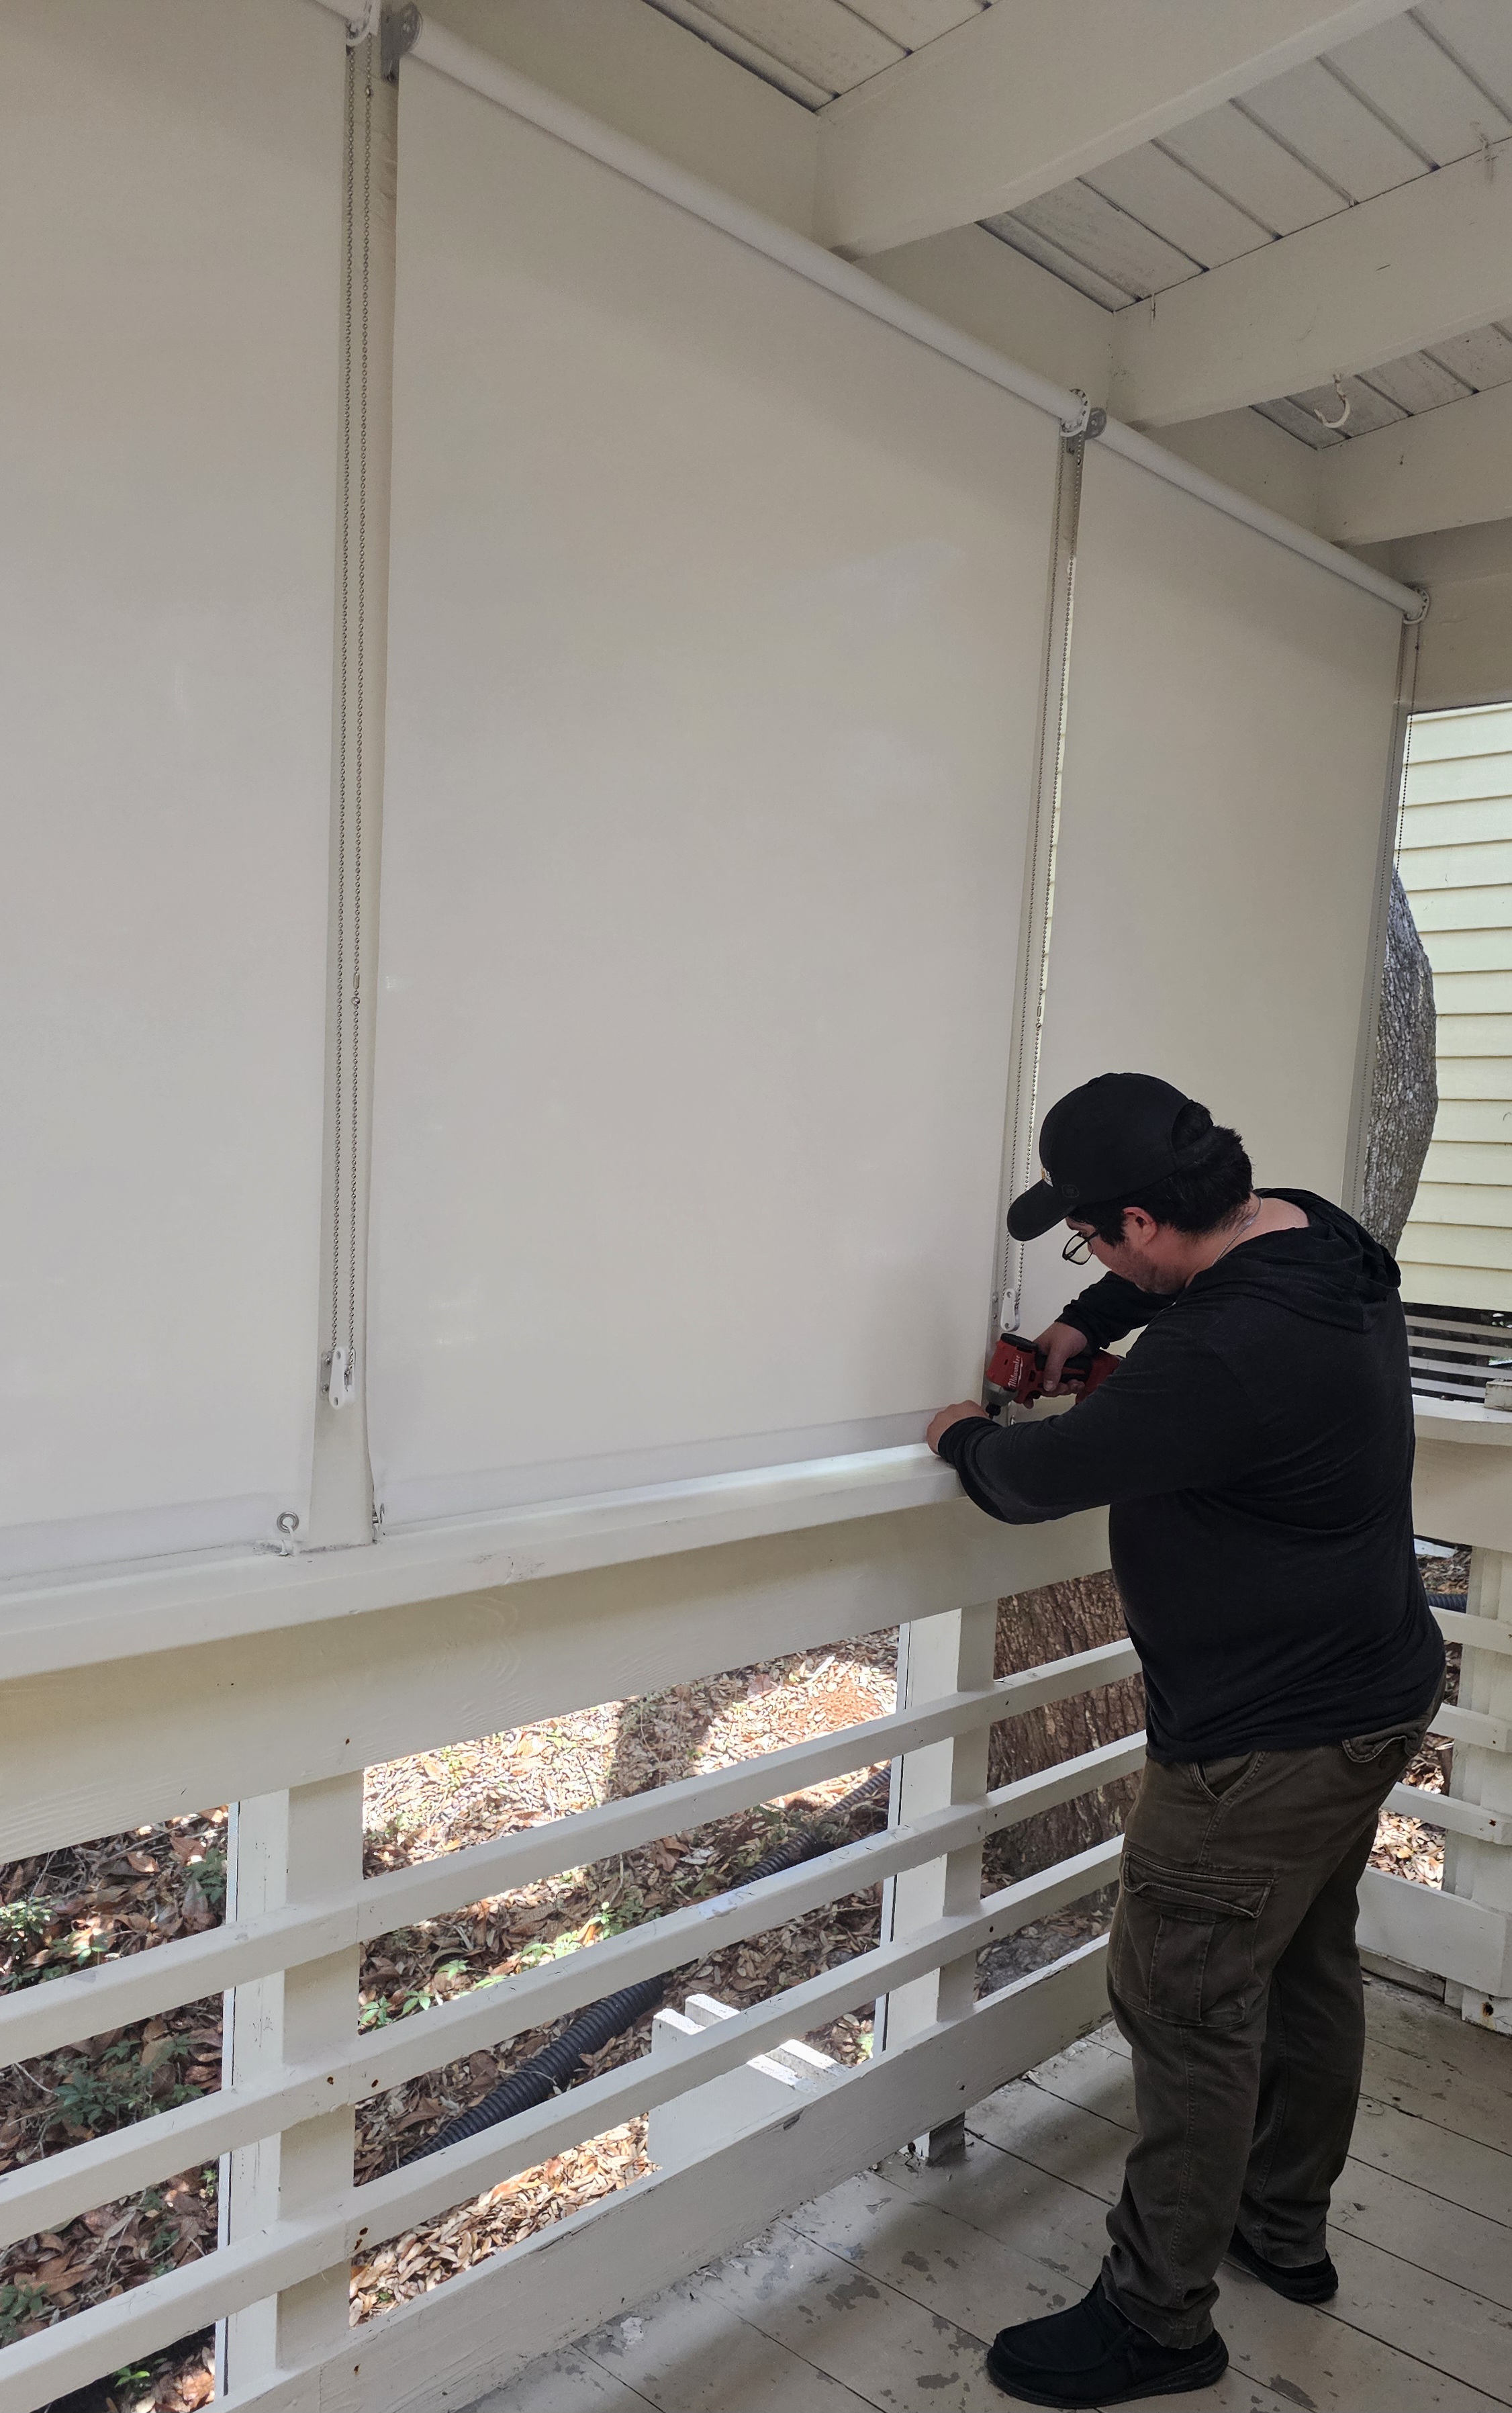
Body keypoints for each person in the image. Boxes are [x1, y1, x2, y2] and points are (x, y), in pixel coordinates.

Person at [926, 1071, 1445, 2410]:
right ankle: (1284, 2233)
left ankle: (1158, 2322)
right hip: (1369, 1688)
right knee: (1308, 1967)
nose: (1091, 1262)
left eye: (1096, 1241)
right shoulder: (1315, 1237)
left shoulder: (1221, 1356)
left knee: (1183, 2003)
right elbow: (1146, 1315)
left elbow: (1029, 1482)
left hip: (1260, 1746)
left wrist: (964, 1432)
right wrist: (1071, 1331)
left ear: (1149, 1219)